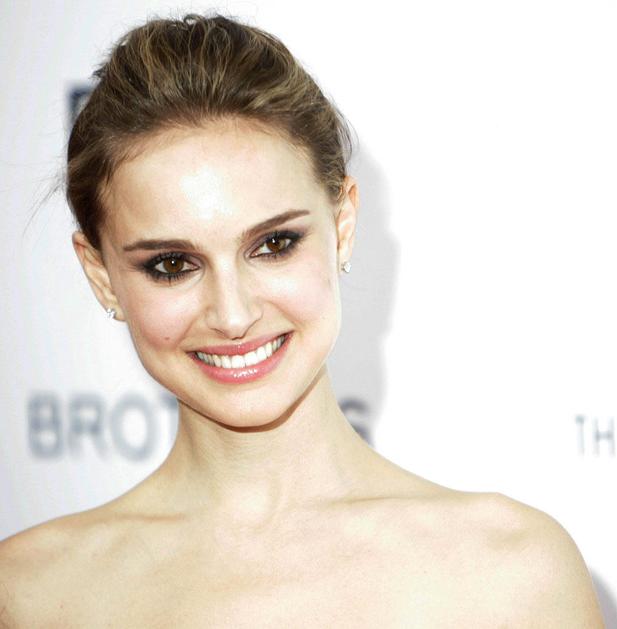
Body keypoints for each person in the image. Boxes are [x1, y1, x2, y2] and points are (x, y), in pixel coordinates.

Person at [0, 13, 604, 628]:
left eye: (273, 245)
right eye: (173, 264)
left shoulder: (516, 575)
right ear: (101, 274)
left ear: (343, 226)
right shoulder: (29, 593)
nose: (233, 315)